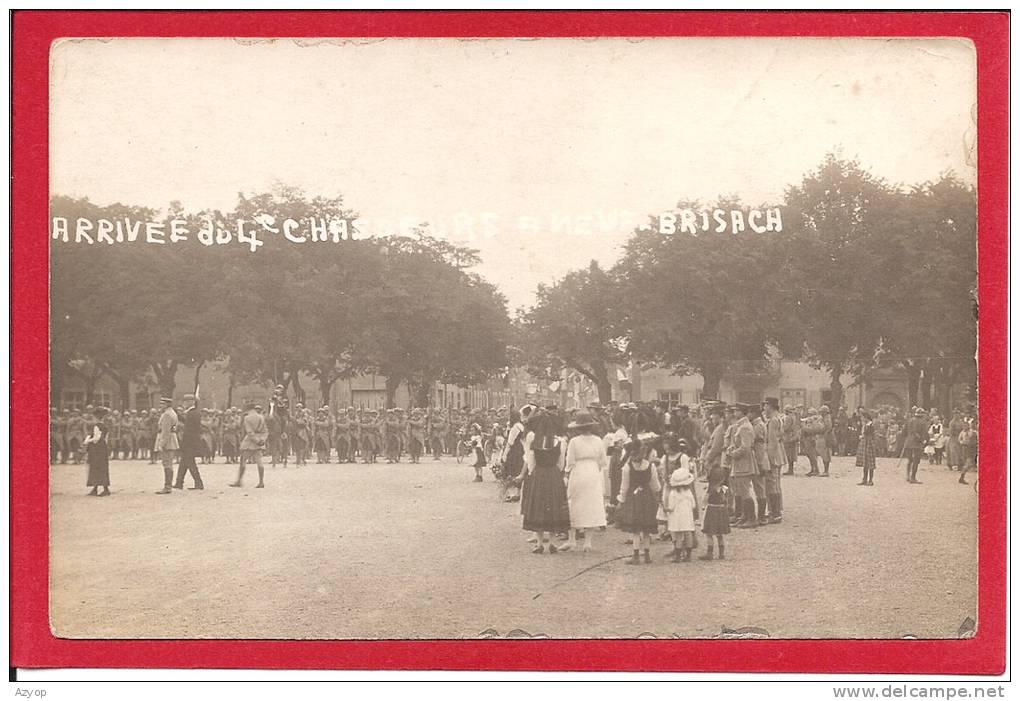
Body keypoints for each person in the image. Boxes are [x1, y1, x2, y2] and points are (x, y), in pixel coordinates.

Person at [519, 411, 570, 554]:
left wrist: (535, 472)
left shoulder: (535, 442)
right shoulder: (559, 442)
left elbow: (531, 463)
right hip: (553, 475)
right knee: (553, 506)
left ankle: (540, 543)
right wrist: (554, 471)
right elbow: (561, 463)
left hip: (539, 475)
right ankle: (552, 542)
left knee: (539, 507)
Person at [563, 411, 608, 552]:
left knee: (574, 503)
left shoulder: (574, 441)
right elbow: (603, 461)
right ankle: (588, 542)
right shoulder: (598, 440)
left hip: (578, 471)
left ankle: (572, 540)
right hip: (593, 472)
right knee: (591, 504)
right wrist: (595, 468)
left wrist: (567, 473)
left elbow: (569, 461)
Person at [617, 439, 661, 565]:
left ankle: (636, 555)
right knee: (646, 527)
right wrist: (657, 496)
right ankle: (647, 555)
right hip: (647, 498)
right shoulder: (650, 466)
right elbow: (655, 485)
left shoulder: (627, 467)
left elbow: (624, 486)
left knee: (636, 529)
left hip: (634, 499)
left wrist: (621, 500)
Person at [726, 403, 758, 529]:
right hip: (740, 463)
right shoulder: (742, 425)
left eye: (736, 411)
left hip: (744, 463)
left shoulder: (745, 427)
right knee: (740, 490)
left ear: (741, 412)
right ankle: (744, 517)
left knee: (744, 491)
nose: (734, 413)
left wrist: (732, 454)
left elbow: (745, 447)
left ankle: (751, 518)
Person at [664, 466, 698, 562]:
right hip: (687, 516)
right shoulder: (688, 492)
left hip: (677, 517)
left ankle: (678, 556)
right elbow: (693, 505)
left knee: (679, 536)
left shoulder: (673, 493)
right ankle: (688, 555)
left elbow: (671, 507)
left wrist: (666, 509)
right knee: (688, 534)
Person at [232, 401, 268, 488]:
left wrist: (256, 440)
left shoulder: (247, 418)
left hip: (250, 442)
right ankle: (261, 481)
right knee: (259, 462)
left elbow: (249, 432)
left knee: (243, 460)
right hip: (260, 440)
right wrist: (262, 440)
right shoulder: (261, 417)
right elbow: (265, 431)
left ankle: (239, 481)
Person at [698, 464, 730, 560]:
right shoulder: (724, 489)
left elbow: (705, 500)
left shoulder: (710, 489)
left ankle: (710, 553)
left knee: (709, 533)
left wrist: (703, 506)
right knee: (720, 534)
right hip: (722, 510)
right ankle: (721, 553)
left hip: (712, 510)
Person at [763, 397, 787, 523]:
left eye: (766, 405)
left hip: (773, 455)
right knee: (775, 484)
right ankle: (776, 511)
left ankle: (775, 513)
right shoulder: (778, 418)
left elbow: (772, 441)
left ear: (770, 406)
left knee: (772, 485)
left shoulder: (773, 420)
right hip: (778, 454)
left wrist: (769, 459)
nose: (764, 408)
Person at [174, 394, 205, 490]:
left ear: (191, 402)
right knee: (184, 462)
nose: (184, 403)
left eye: (185, 401)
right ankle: (179, 482)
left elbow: (192, 428)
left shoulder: (193, 413)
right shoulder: (192, 413)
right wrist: (179, 416)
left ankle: (198, 483)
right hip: (190, 441)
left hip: (190, 442)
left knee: (190, 463)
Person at [499, 407, 529, 503]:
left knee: (510, 471)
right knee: (519, 470)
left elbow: (510, 442)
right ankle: (518, 493)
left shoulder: (514, 427)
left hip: (514, 452)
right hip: (522, 450)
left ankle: (510, 494)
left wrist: (504, 455)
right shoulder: (522, 426)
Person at [83, 406, 111, 496]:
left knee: (96, 467)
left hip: (96, 449)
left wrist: (87, 440)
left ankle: (103, 489)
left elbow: (96, 439)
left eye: (93, 417)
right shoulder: (104, 426)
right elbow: (105, 438)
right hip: (103, 448)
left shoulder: (97, 426)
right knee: (102, 467)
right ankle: (97, 488)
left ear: (96, 417)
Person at [154, 397, 179, 494]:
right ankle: (168, 485)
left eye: (162, 404)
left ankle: (167, 486)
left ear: (167, 405)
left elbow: (165, 431)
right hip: (171, 439)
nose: (160, 406)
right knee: (169, 463)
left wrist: (162, 443)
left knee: (167, 464)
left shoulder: (167, 415)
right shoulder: (171, 413)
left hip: (167, 441)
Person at [903, 407, 928, 484]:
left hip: (908, 443)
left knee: (910, 460)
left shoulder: (909, 421)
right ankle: (913, 477)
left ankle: (907, 476)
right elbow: (924, 434)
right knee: (916, 461)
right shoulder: (923, 422)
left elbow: (904, 432)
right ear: (922, 415)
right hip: (917, 443)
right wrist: (926, 441)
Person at [856, 410, 877, 486]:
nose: (861, 419)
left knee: (870, 462)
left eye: (862, 417)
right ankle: (864, 479)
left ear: (866, 417)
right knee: (865, 462)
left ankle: (870, 480)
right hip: (864, 443)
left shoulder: (870, 425)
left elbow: (869, 434)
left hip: (869, 444)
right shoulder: (865, 425)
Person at [957, 419, 978, 485]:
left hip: (973, 448)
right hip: (965, 448)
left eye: (966, 426)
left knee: (970, 463)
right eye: (964, 426)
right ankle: (962, 477)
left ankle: (962, 476)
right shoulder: (962, 433)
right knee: (968, 462)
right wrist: (962, 443)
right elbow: (959, 439)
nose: (965, 427)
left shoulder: (973, 432)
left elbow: (976, 439)